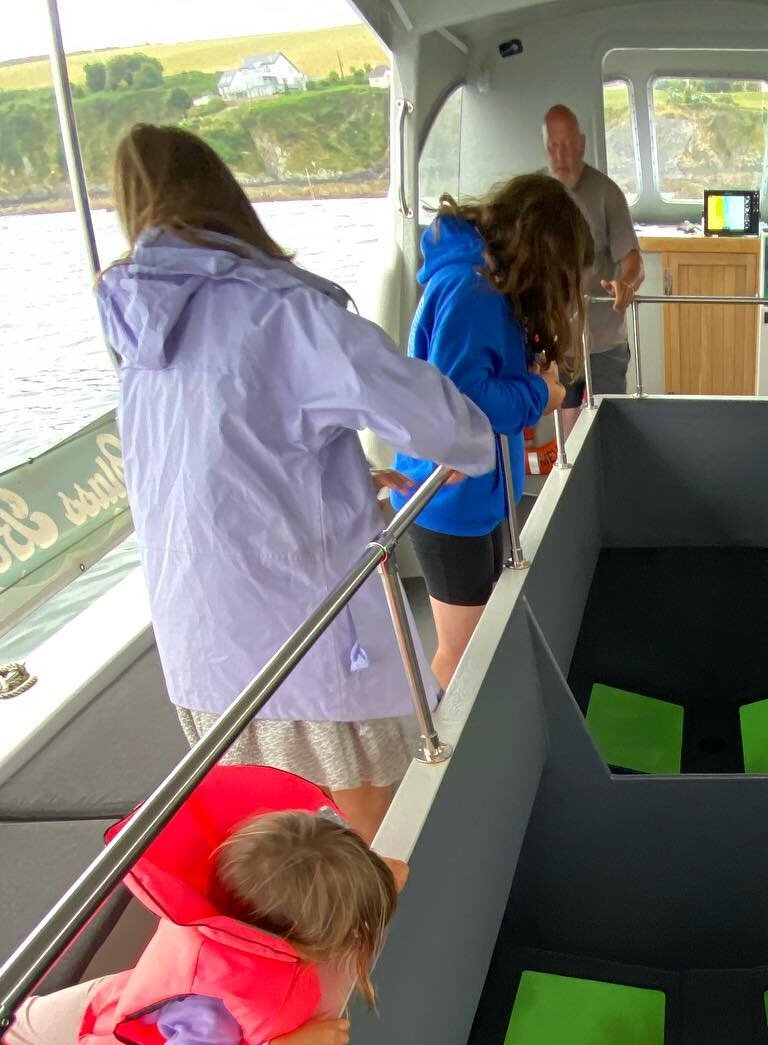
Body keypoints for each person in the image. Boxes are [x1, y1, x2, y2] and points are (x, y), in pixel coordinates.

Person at [98, 125, 498, 845]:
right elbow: (456, 432)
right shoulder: (283, 312)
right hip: (307, 650)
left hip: (202, 657)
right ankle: (410, 951)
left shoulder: (135, 329)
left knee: (279, 852)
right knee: (394, 841)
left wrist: (339, 478)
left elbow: (228, 470)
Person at [2, 766, 403, 1045]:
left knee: (46, 1015)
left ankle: (14, 1024)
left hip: (132, 1004)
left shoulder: (232, 908)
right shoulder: (217, 1016)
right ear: (295, 939)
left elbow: (317, 856)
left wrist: (371, 879)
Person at [393, 178, 591, 688]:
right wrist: (539, 396)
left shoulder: (490, 285)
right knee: (461, 653)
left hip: (483, 490)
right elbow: (465, 400)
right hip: (448, 499)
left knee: (485, 632)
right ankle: (437, 757)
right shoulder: (473, 288)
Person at [543, 103, 643, 436]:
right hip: (558, 341)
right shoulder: (537, 197)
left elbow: (633, 261)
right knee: (568, 430)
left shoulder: (606, 194)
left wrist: (623, 283)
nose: (561, 155)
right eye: (553, 146)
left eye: (567, 145)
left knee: (610, 424)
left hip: (604, 339)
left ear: (582, 144)